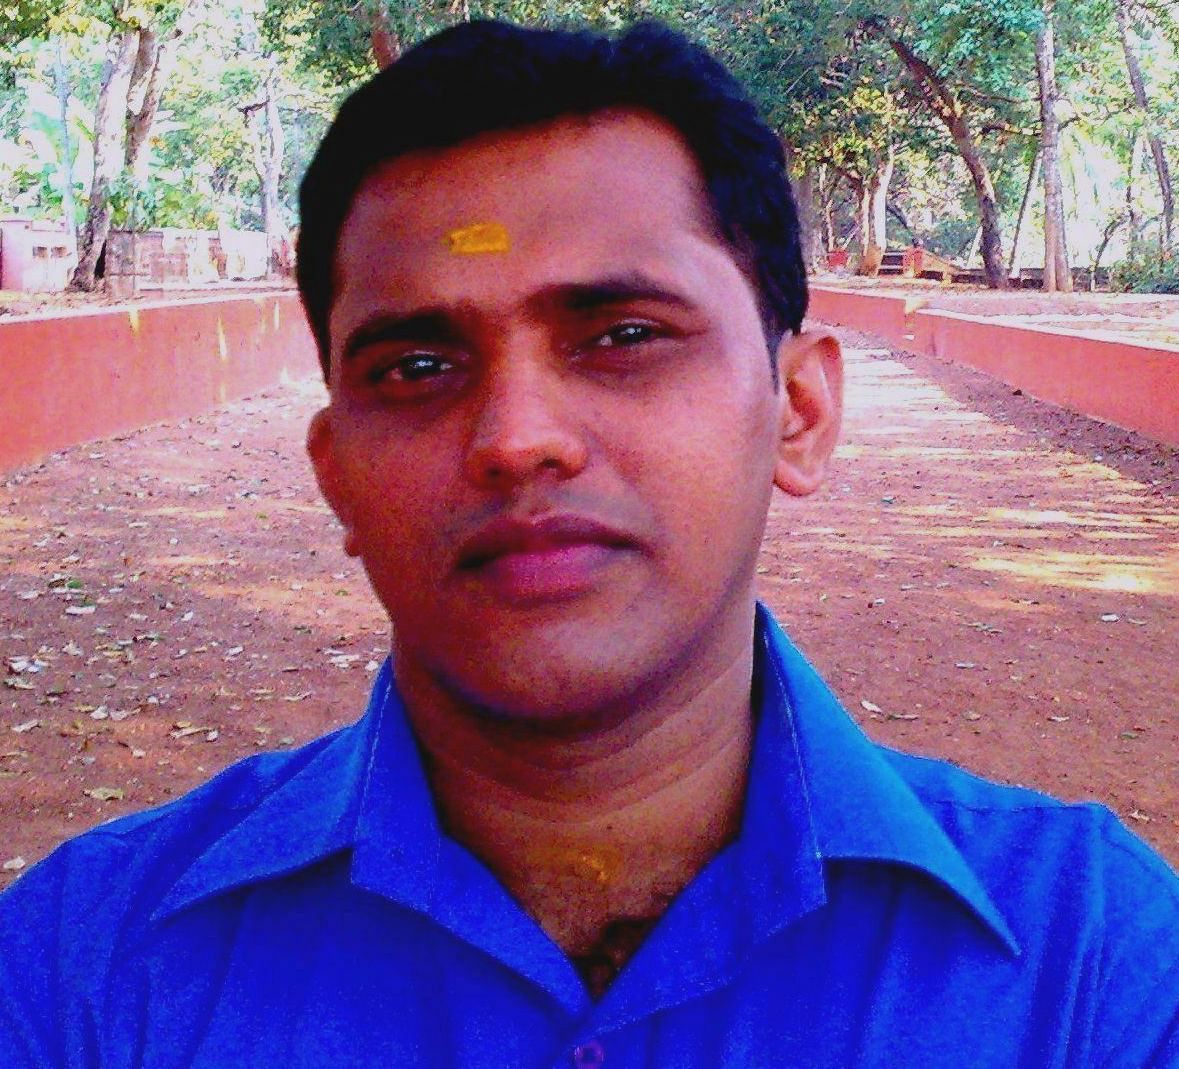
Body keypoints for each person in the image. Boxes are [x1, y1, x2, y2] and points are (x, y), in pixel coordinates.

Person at [2, 19, 1177, 1068]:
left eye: (623, 336)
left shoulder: (1095, 974)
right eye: (418, 366)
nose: (518, 439)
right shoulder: (77, 978)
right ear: (336, 477)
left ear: (799, 411)